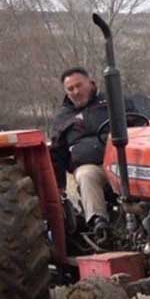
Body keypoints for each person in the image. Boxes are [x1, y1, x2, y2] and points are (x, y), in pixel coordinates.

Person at [49, 66, 115, 233]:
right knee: (86, 175)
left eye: (79, 85)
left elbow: (139, 126)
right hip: (91, 167)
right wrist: (59, 186)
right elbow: (57, 153)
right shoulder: (63, 118)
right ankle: (99, 223)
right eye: (70, 89)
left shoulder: (114, 102)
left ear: (91, 83)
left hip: (121, 161)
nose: (76, 92)